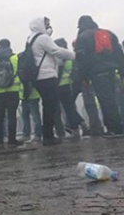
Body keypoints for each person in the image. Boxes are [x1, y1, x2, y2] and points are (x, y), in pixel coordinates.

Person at [28, 17, 76, 145]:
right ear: (40, 25)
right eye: (47, 25)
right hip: (46, 75)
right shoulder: (43, 38)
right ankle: (48, 136)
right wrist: (74, 55)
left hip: (38, 77)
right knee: (51, 106)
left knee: (48, 105)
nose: (49, 27)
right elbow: (56, 50)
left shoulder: (31, 39)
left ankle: (47, 134)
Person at [75, 15, 124, 135]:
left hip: (97, 73)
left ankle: (115, 129)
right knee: (112, 99)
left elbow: (82, 61)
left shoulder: (82, 38)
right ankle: (114, 126)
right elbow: (119, 54)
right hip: (112, 71)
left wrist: (82, 77)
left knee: (106, 100)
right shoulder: (108, 34)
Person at [54, 38, 87, 137]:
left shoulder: (59, 57)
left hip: (61, 86)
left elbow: (58, 73)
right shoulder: (70, 55)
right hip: (70, 85)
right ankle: (80, 126)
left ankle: (77, 127)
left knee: (68, 108)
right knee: (70, 108)